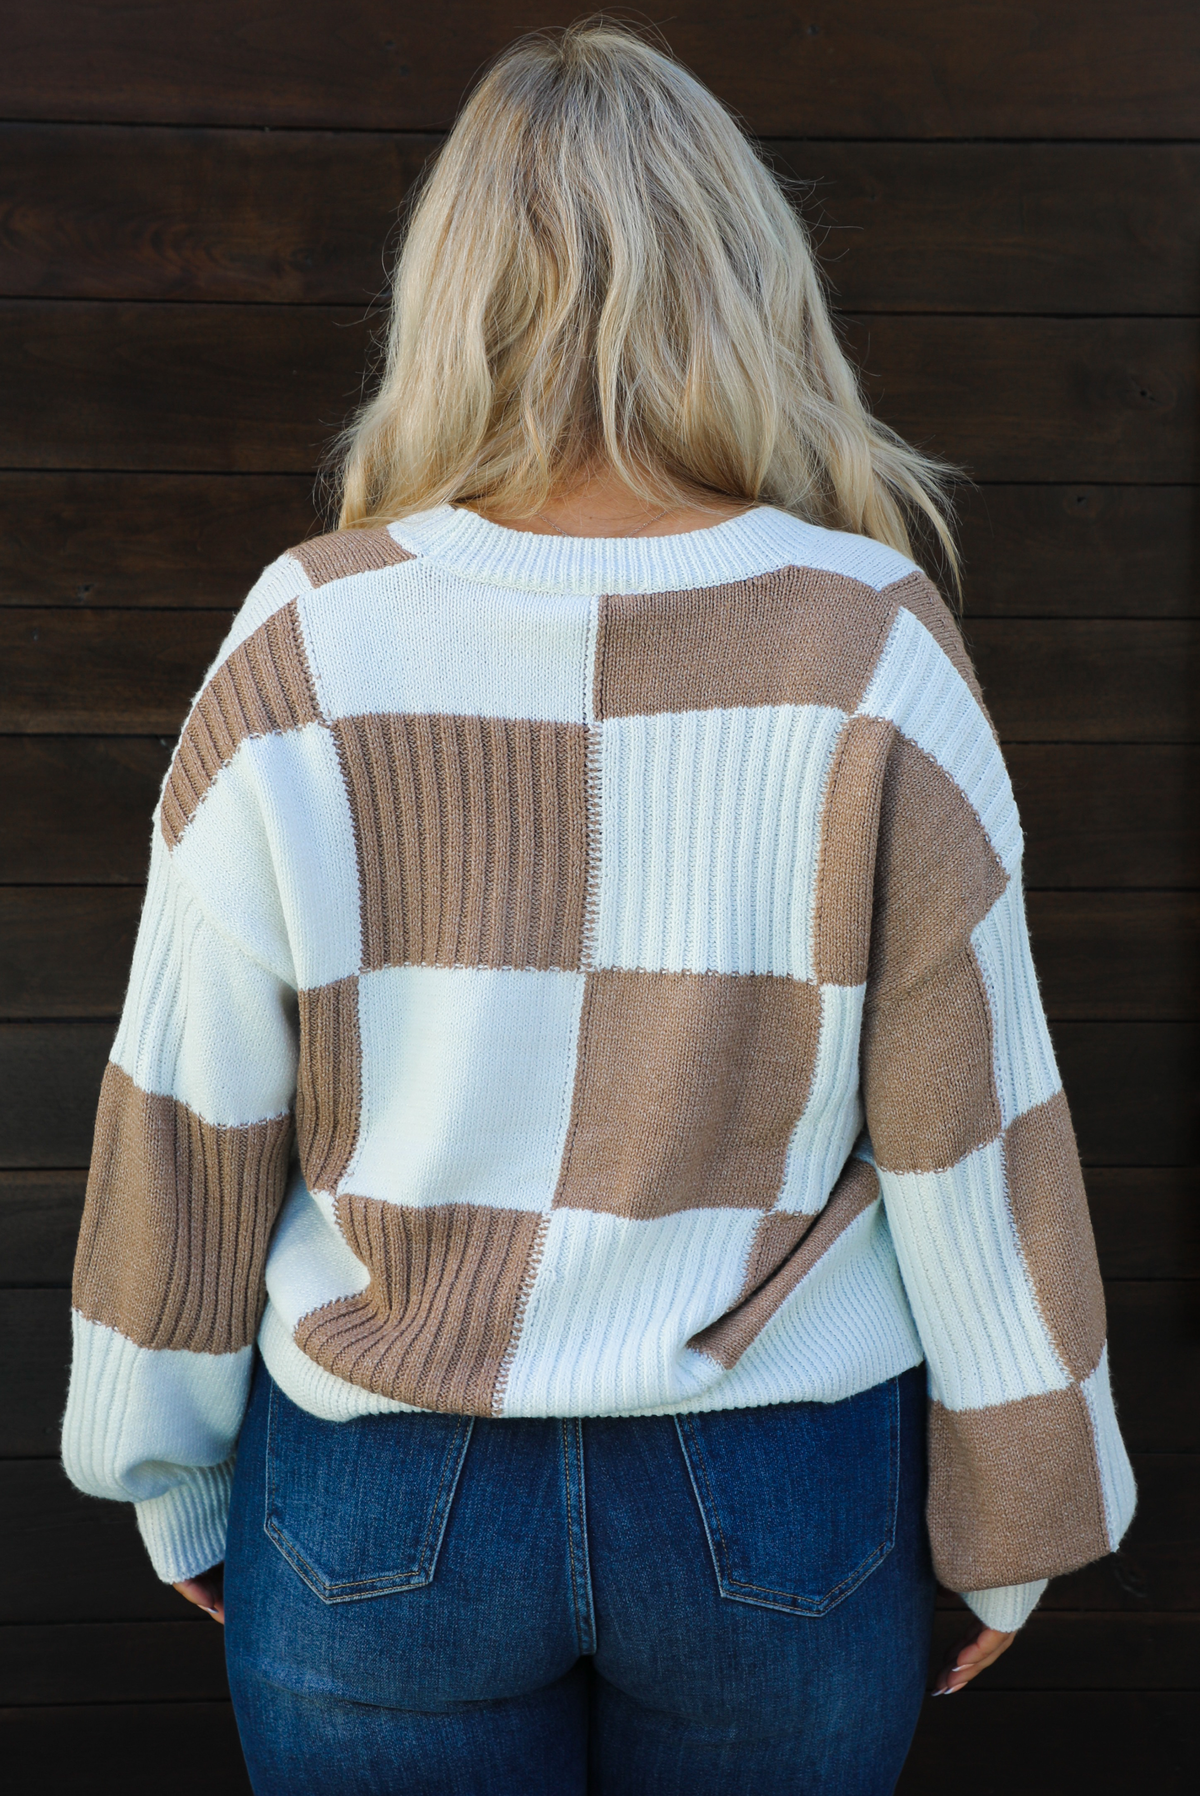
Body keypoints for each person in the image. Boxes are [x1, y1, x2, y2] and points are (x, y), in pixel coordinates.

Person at [62, 20, 1135, 1795]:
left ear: (449, 292)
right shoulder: (870, 639)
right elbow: (978, 1125)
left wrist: (157, 1461)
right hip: (774, 1499)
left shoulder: (306, 638)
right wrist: (1020, 1503)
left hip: (380, 1495)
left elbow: (186, 1108)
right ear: (746, 281)